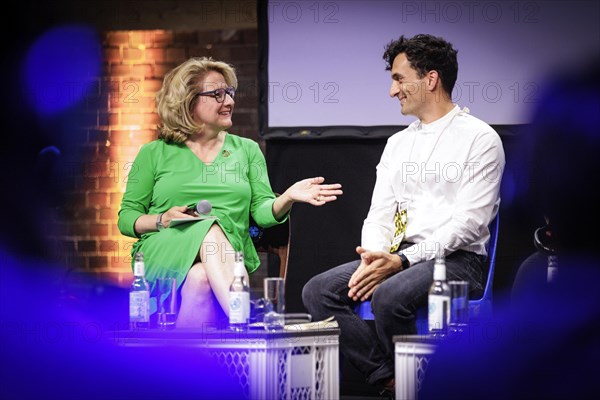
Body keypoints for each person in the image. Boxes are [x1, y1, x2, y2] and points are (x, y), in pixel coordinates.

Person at [302, 34, 505, 395]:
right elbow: (380, 212)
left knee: (389, 296)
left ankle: (425, 385)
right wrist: (373, 258)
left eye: (398, 78)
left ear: (430, 79)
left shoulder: (480, 139)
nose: (392, 91)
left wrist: (401, 260)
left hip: (458, 260)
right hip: (398, 256)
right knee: (319, 291)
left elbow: (469, 224)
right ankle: (395, 380)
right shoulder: (398, 144)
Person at [118, 57, 342, 328]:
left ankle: (177, 368)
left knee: (200, 278)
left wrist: (287, 197)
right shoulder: (153, 153)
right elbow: (127, 219)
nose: (230, 101)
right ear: (187, 101)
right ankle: (248, 322)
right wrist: (162, 219)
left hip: (225, 253)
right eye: (217, 94)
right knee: (208, 226)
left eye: (230, 93)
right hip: (166, 249)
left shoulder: (246, 150)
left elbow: (262, 212)